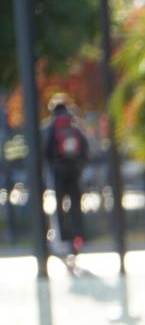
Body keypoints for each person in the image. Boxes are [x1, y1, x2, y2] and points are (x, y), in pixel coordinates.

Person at [42, 96, 89, 266]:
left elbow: (45, 150)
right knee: (75, 205)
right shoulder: (74, 124)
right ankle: (78, 238)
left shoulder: (51, 126)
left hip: (58, 171)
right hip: (74, 171)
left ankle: (64, 239)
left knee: (60, 207)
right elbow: (85, 148)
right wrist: (79, 165)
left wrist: (51, 165)